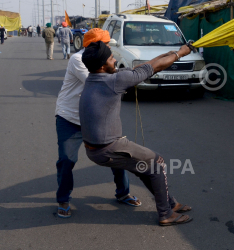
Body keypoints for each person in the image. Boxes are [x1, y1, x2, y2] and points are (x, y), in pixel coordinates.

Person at [80, 40, 194, 226]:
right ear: (102, 65)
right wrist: (180, 54)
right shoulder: (114, 81)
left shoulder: (94, 78)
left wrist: (169, 53)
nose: (115, 59)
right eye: (111, 58)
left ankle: (170, 204)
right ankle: (165, 213)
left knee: (145, 168)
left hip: (96, 149)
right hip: (108, 148)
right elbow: (150, 69)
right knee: (157, 162)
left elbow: (145, 67)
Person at [55, 28, 138, 218]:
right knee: (67, 159)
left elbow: (113, 74)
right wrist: (127, 77)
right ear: (94, 45)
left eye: (109, 44)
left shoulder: (106, 57)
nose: (109, 47)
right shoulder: (79, 60)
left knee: (117, 153)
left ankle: (123, 193)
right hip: (70, 117)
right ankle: (63, 198)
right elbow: (100, 80)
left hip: (95, 117)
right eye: (106, 44)